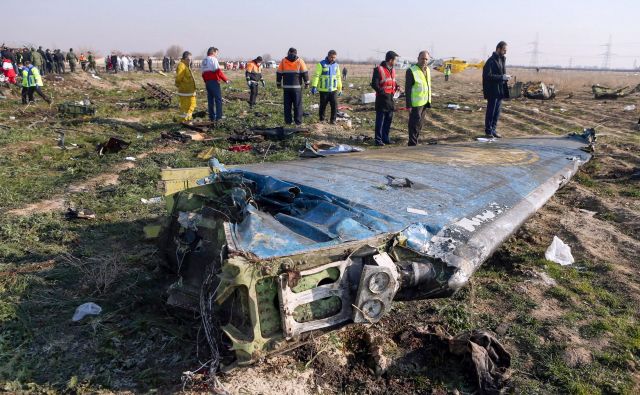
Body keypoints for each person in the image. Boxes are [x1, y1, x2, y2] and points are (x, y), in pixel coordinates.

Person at [371, 50, 400, 146]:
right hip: (382, 100)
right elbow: (374, 84)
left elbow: (392, 81)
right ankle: (378, 140)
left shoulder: (393, 70)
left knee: (388, 120)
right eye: (395, 60)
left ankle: (386, 138)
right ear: (391, 60)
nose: (396, 62)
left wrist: (397, 86)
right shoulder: (378, 69)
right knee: (380, 121)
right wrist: (382, 92)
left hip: (391, 99)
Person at [482, 41, 510, 138]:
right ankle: (488, 131)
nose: (505, 52)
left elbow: (501, 74)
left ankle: (493, 129)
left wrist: (505, 78)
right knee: (491, 111)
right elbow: (487, 76)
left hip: (500, 90)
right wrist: (501, 77)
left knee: (497, 112)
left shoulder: (502, 60)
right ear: (498, 49)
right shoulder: (490, 61)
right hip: (492, 90)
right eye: (504, 50)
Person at [405, 51, 432, 146]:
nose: (424, 61)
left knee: (419, 125)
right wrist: (408, 105)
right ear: (418, 58)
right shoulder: (411, 71)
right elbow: (407, 89)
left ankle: (415, 141)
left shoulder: (428, 70)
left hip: (424, 101)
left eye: (426, 59)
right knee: (413, 125)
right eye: (422, 58)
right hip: (415, 103)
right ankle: (412, 144)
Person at [276, 48, 309, 125]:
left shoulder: (283, 61)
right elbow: (305, 73)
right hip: (297, 88)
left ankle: (288, 122)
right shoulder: (300, 61)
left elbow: (279, 73)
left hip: (286, 87)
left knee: (287, 106)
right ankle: (298, 122)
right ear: (296, 53)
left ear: (288, 52)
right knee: (297, 105)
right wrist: (307, 83)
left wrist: (278, 83)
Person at [311, 50, 342, 124]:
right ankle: (322, 120)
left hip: (333, 90)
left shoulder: (336, 65)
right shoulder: (321, 64)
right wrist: (314, 86)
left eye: (334, 57)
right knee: (323, 106)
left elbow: (338, 77)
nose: (333, 59)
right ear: (328, 56)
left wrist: (340, 88)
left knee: (334, 105)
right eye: (332, 57)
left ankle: (333, 120)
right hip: (323, 90)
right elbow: (316, 76)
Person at [201, 47, 230, 121]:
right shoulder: (213, 59)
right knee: (218, 99)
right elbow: (218, 71)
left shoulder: (204, 60)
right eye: (216, 53)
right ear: (213, 52)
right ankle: (219, 117)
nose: (217, 54)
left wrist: (206, 81)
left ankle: (212, 117)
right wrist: (225, 79)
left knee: (210, 99)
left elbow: (203, 73)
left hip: (207, 82)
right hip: (214, 81)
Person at [175, 51, 197, 123]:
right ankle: (182, 121)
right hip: (185, 91)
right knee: (185, 107)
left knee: (192, 105)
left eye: (191, 59)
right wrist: (179, 85)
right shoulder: (182, 65)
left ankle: (188, 118)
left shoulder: (186, 65)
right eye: (189, 59)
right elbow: (178, 78)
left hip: (190, 91)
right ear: (185, 58)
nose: (190, 61)